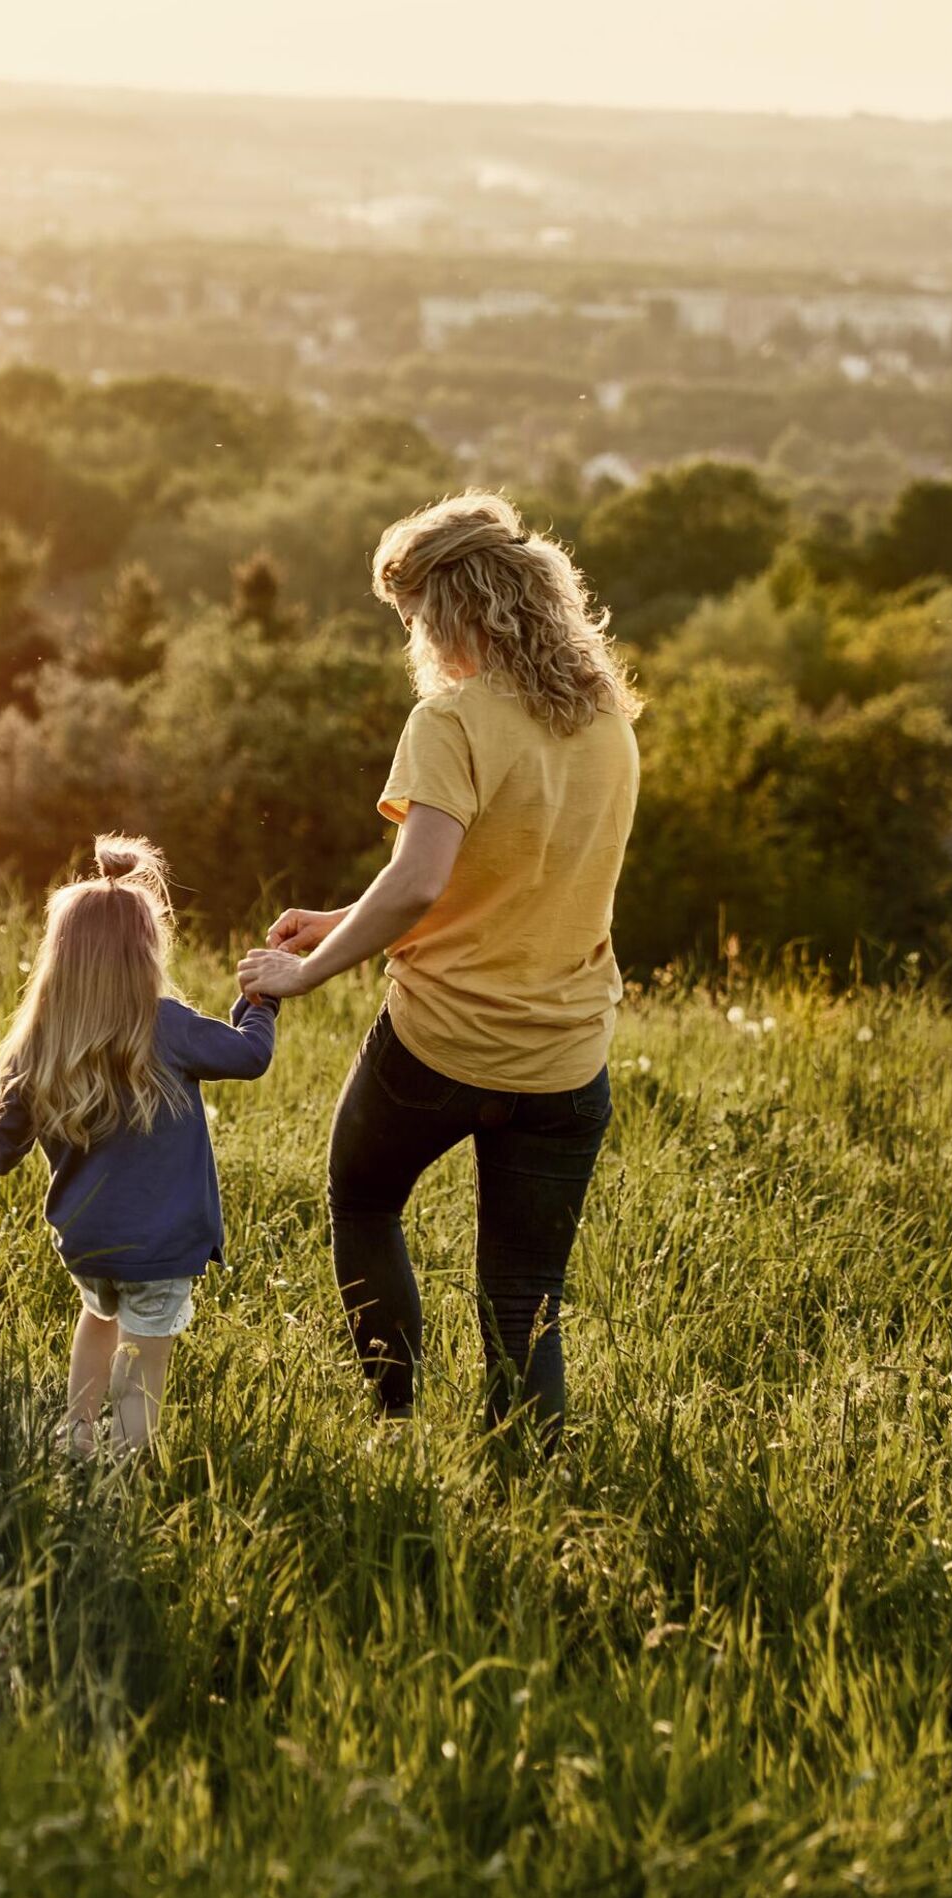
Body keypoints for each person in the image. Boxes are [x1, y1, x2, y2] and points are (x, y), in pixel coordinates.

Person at [239, 490, 640, 1443]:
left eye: (416, 621)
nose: (416, 642)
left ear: (457, 609)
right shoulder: (607, 723)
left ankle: (395, 1427)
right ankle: (537, 1489)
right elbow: (512, 876)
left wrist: (307, 972)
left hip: (439, 1047)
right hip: (565, 1060)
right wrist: (343, 918)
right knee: (525, 1291)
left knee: (363, 1202)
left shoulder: (453, 720)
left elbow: (419, 885)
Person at [0, 837, 279, 1455]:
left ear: (59, 958)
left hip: (89, 1240)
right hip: (163, 1244)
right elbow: (249, 1054)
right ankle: (125, 1462)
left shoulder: (42, 1041)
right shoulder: (167, 1025)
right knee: (145, 1358)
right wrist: (263, 1001)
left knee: (98, 1317)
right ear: (148, 952)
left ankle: (78, 1436)